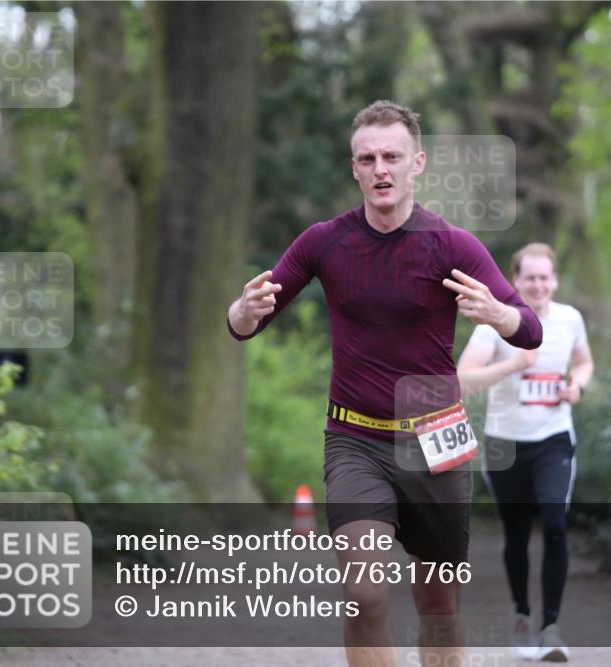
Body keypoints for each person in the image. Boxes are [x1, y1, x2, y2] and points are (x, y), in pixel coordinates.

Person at [226, 100, 542, 667]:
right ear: (354, 168)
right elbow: (246, 324)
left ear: (416, 162)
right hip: (355, 439)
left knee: (438, 603)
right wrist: (244, 310)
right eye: (368, 158)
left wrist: (498, 315)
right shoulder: (325, 242)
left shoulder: (452, 246)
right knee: (364, 592)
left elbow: (530, 331)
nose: (381, 169)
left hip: (435, 436)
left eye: (392, 156)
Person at [456, 242, 593, 662]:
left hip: (553, 440)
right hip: (505, 444)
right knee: (516, 536)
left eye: (544, 277)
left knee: (554, 522)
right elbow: (463, 378)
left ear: (555, 280)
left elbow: (584, 362)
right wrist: (514, 363)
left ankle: (550, 626)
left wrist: (577, 386)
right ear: (515, 280)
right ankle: (521, 614)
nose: (537, 284)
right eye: (529, 277)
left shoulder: (570, 319)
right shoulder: (494, 323)